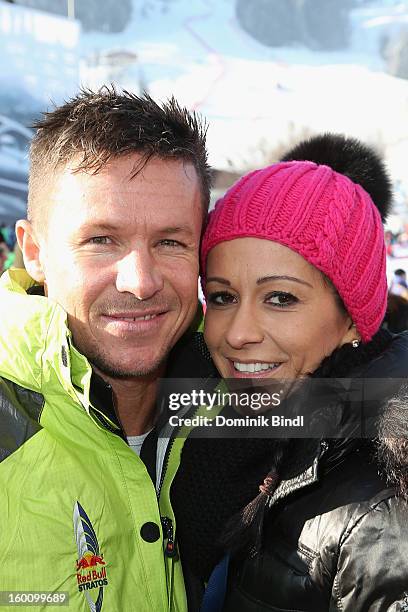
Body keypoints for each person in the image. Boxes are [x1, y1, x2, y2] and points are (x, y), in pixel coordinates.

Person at [171, 134, 408, 611]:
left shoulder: (381, 513)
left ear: (351, 318)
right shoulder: (222, 435)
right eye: (221, 296)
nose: (238, 333)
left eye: (280, 297)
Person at [0, 87, 212, 611]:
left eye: (170, 242)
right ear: (35, 251)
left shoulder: (247, 410)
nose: (140, 281)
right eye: (101, 240)